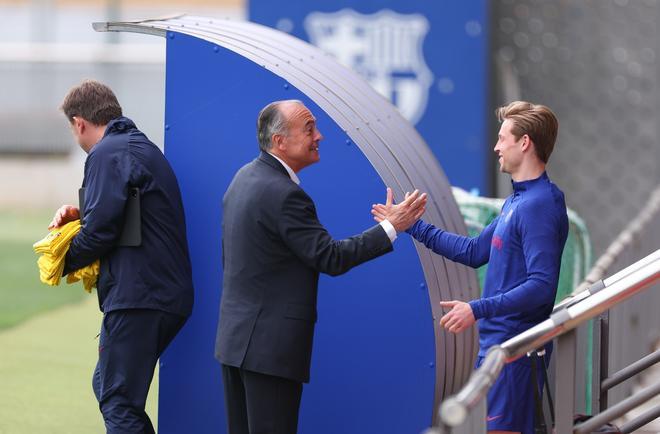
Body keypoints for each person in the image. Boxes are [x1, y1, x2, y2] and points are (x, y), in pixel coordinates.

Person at [215, 99, 426, 434]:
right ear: (279, 142)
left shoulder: (244, 178)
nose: (320, 137)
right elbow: (331, 257)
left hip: (236, 344)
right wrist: (393, 227)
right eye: (309, 128)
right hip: (269, 352)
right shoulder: (284, 194)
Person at [373, 101, 568, 434]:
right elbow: (474, 250)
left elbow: (542, 285)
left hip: (514, 353)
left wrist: (476, 309)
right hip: (499, 352)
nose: (495, 147)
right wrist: (410, 225)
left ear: (524, 143)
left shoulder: (539, 204)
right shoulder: (519, 200)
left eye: (502, 138)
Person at [49, 80, 194, 433]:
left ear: (79, 123)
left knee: (118, 400)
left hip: (141, 296)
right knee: (109, 388)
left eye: (73, 130)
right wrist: (82, 217)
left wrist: (58, 260)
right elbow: (118, 217)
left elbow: (101, 232)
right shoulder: (137, 147)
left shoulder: (107, 153)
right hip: (158, 294)